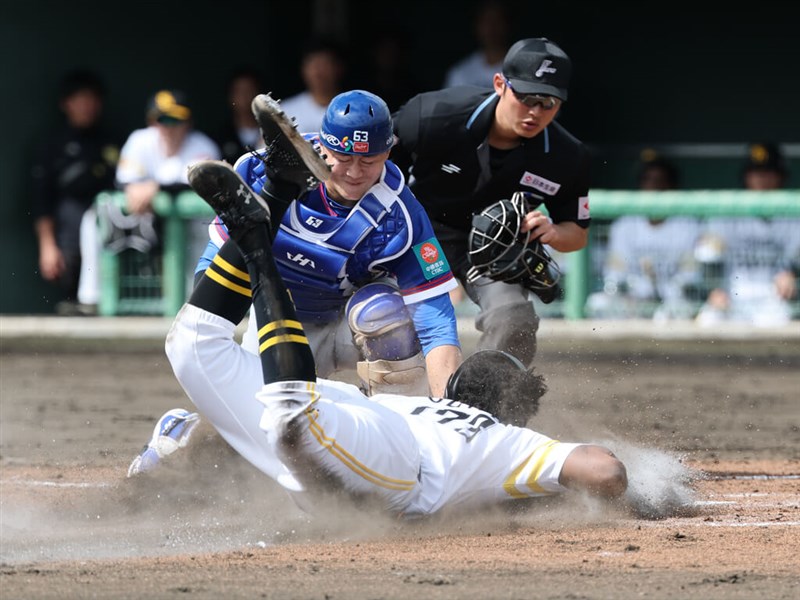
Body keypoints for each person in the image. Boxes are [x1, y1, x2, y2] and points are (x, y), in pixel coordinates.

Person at [155, 154, 628, 519]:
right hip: (385, 463)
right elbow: (604, 471)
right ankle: (260, 246)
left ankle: (182, 432)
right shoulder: (501, 440)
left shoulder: (425, 407)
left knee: (192, 344)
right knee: (291, 416)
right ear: (506, 417)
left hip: (365, 423)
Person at [128, 90, 463, 476]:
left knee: (384, 315)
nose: (354, 171)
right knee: (262, 449)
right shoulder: (262, 174)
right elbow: (214, 263)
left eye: (368, 160)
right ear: (321, 146)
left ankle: (404, 455)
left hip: (347, 324)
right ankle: (182, 431)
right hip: (279, 321)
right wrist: (217, 331)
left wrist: (446, 415)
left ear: (389, 152)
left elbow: (436, 318)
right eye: (343, 158)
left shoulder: (401, 213)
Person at [392, 37, 590, 366]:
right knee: (384, 316)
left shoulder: (568, 157)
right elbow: (376, 166)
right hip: (420, 231)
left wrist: (554, 232)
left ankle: (485, 406)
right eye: (526, 97)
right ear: (500, 84)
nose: (535, 112)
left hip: (492, 253)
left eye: (549, 102)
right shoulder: (434, 115)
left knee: (514, 318)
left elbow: (578, 233)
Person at [85, 90, 221, 302]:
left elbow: (196, 186)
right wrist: (135, 188)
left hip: (189, 226)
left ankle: (195, 300)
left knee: (204, 225)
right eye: (162, 119)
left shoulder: (202, 146)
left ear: (188, 122)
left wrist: (155, 187)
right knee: (94, 217)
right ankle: (91, 298)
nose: (169, 126)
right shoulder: (140, 140)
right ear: (152, 122)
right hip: (145, 219)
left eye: (176, 119)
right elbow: (123, 181)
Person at [30, 69, 119, 316]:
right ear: (66, 103)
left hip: (111, 239)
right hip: (68, 243)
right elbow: (42, 199)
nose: (87, 106)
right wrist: (47, 246)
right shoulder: (52, 145)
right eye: (80, 99)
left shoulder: (111, 141)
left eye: (92, 99)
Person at [586, 156, 702, 321]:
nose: (652, 187)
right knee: (597, 304)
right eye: (647, 180)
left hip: (672, 300)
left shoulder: (687, 226)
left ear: (671, 187)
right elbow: (615, 274)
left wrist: (663, 289)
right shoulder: (625, 225)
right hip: (633, 298)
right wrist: (633, 290)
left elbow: (690, 276)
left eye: (659, 181)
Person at [694, 142, 799, 326]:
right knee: (707, 321)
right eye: (756, 173)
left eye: (769, 173)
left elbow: (794, 264)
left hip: (773, 301)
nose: (762, 179)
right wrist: (714, 289)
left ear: (781, 177)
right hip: (731, 296)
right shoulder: (727, 212)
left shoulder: (793, 214)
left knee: (778, 326)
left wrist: (792, 276)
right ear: (746, 177)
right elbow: (706, 256)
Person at [278, 38, 346, 134]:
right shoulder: (284, 112)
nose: (319, 73)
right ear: (303, 69)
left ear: (339, 68)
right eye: (313, 65)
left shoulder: (356, 111)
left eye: (325, 64)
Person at [443, 0, 512, 88]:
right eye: (486, 21)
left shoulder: (519, 70)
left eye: (497, 20)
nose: (491, 28)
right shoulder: (460, 72)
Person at [214, 68, 265, 165]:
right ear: (230, 97)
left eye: (249, 90)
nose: (244, 96)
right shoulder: (220, 137)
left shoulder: (273, 131)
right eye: (238, 91)